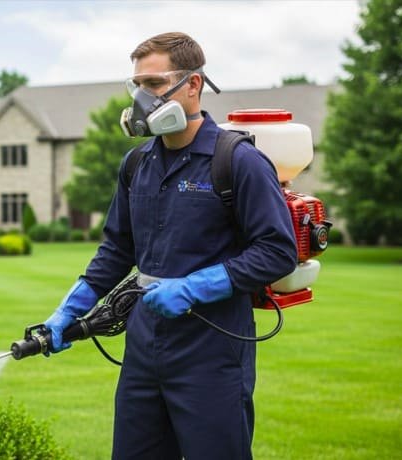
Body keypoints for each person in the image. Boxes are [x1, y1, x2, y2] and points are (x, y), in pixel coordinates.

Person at [44, 32, 297, 459]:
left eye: (155, 85)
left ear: (193, 85)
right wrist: (70, 307)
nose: (144, 97)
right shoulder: (137, 163)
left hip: (212, 352)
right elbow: (117, 249)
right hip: (143, 352)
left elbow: (276, 251)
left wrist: (194, 287)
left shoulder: (237, 161)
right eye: (138, 85)